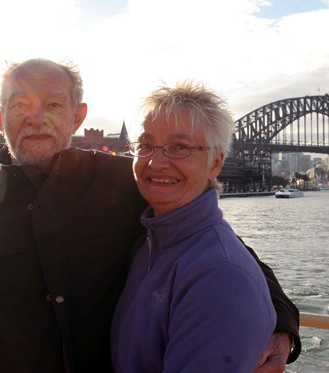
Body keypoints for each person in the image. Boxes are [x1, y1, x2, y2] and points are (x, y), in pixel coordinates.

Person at [0, 58, 300, 372]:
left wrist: (283, 327)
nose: (36, 118)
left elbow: (221, 252)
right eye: (20, 106)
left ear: (77, 116)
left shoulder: (128, 182)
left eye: (53, 104)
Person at [111, 81, 277, 372]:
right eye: (146, 145)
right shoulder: (150, 242)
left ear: (215, 163)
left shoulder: (221, 276)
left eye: (180, 147)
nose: (156, 162)